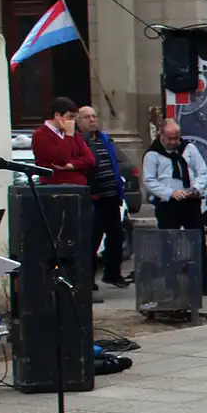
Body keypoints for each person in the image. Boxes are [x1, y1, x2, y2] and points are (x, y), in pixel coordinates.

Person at [144, 119, 207, 296]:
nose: (174, 142)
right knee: (168, 243)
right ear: (161, 135)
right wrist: (170, 193)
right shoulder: (153, 154)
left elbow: (202, 171)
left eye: (176, 138)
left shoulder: (189, 149)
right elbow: (150, 180)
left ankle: (204, 283)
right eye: (170, 138)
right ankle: (170, 285)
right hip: (167, 204)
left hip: (189, 202)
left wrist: (195, 188)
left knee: (197, 242)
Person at [77, 105, 129, 290]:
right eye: (86, 117)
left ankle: (112, 274)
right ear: (78, 121)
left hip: (112, 195)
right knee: (92, 240)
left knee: (116, 236)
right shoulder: (78, 141)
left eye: (94, 116)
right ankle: (88, 280)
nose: (92, 120)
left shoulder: (104, 139)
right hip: (94, 198)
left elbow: (116, 162)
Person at [31, 97, 93, 189]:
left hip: (79, 187)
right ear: (57, 115)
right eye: (70, 117)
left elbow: (90, 160)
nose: (72, 122)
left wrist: (71, 165)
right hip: (55, 189)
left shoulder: (75, 135)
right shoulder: (40, 135)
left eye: (74, 118)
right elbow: (61, 159)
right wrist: (68, 136)